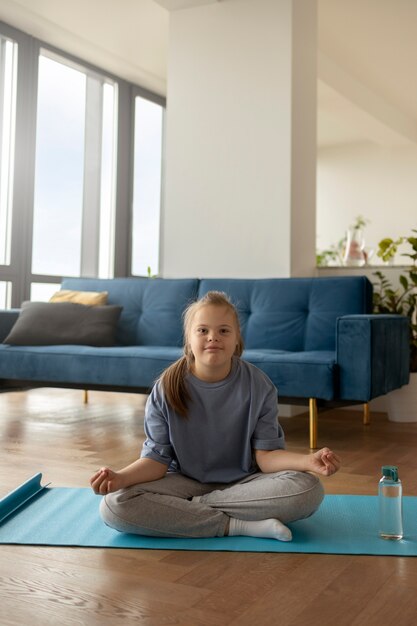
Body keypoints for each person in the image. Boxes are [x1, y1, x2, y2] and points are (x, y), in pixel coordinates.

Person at [90, 291, 340, 542]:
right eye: (202, 331)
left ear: (236, 339)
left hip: (247, 484)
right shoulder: (166, 388)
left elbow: (266, 458)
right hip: (183, 481)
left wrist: (308, 461)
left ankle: (189, 507)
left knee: (308, 490)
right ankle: (238, 525)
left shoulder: (259, 384)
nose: (213, 338)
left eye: (223, 331)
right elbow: (156, 461)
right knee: (115, 506)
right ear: (188, 339)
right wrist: (120, 478)